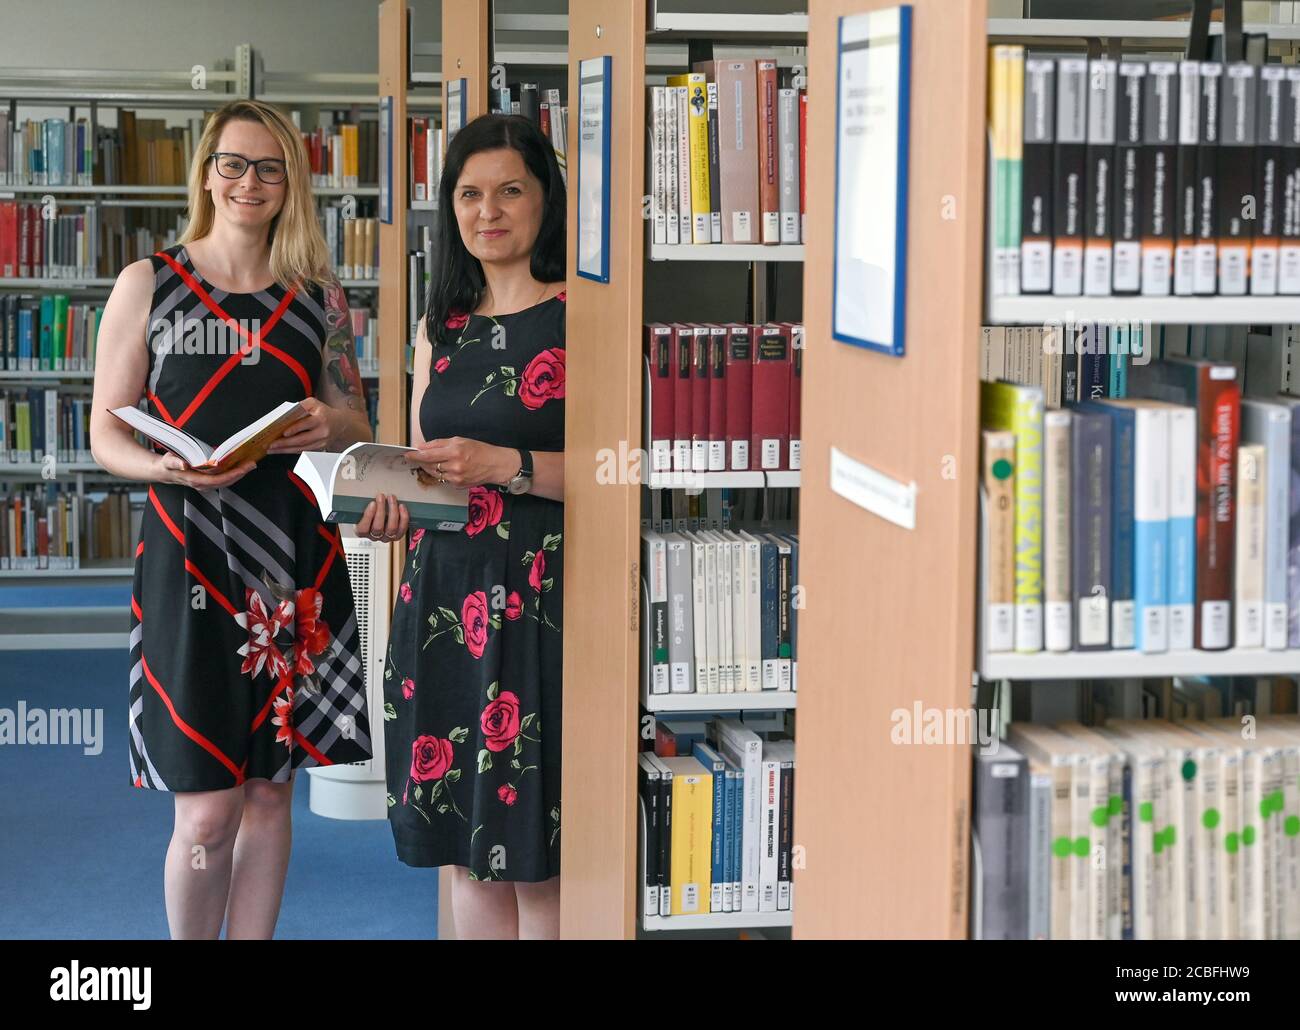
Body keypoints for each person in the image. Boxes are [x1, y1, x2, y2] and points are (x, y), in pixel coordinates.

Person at [90, 99, 374, 940]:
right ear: (207, 171)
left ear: (292, 182)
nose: (249, 182)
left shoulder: (319, 294)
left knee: (271, 791)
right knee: (207, 812)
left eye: (269, 167)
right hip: (188, 557)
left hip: (294, 555)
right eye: (233, 164)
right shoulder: (149, 283)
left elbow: (358, 415)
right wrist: (163, 467)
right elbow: (106, 425)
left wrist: (338, 425)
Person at [357, 113, 566, 939]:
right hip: (443, 599)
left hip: (541, 604)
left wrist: (505, 466)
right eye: (469, 194)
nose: (490, 211)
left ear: (545, 199)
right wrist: (387, 511)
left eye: (511, 190)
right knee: (465, 852)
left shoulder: (583, 316)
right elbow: (421, 466)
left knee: (538, 855)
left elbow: (625, 477)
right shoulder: (437, 325)